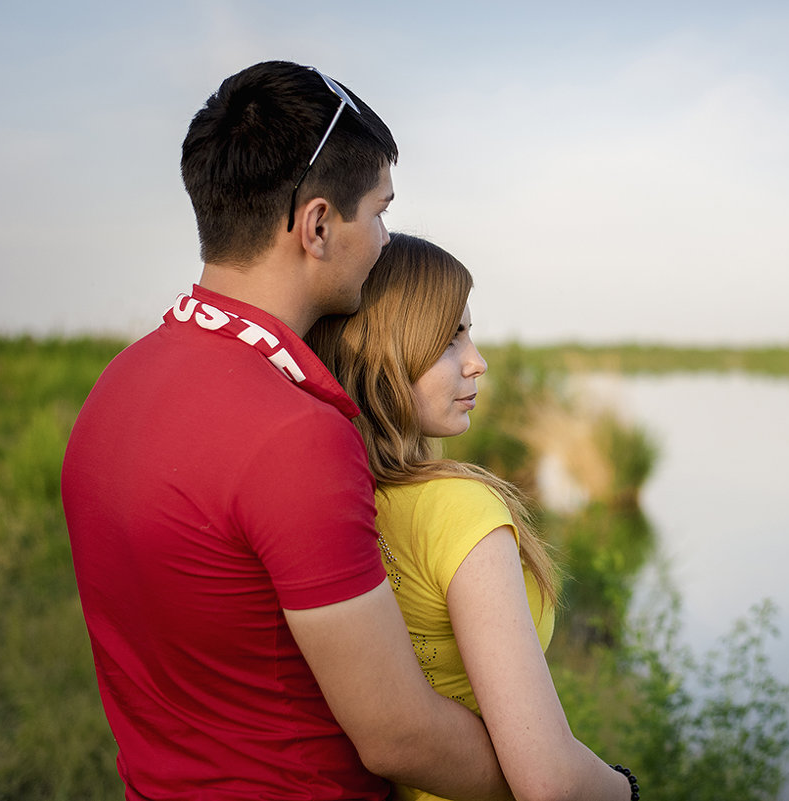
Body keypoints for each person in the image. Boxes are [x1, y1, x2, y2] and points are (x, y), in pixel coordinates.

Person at [61, 61, 513, 801]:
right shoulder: (293, 432)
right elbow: (397, 733)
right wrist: (550, 775)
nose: (384, 236)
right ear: (318, 225)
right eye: (378, 210)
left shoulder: (116, 386)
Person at [306, 233, 639, 801]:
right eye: (449, 338)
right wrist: (626, 790)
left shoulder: (330, 496)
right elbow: (549, 781)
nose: (476, 361)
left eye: (470, 333)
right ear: (383, 349)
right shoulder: (458, 510)